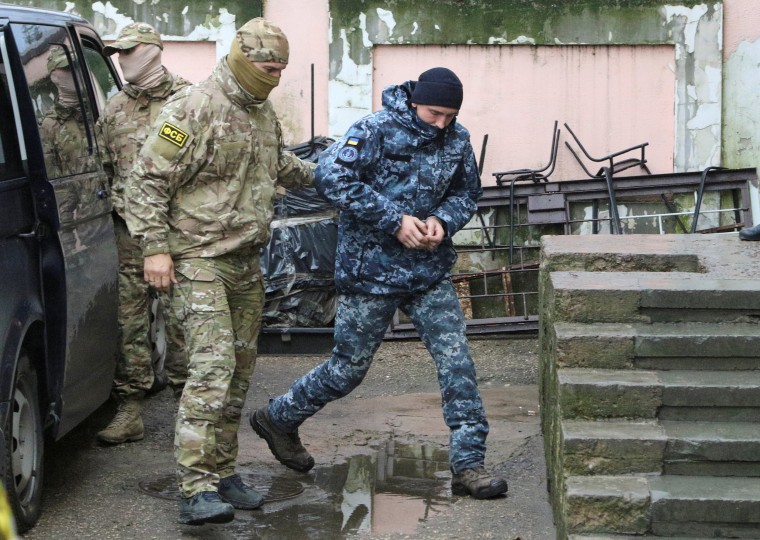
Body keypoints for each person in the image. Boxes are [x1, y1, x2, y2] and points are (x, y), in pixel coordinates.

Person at [249, 67, 509, 500]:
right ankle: (279, 417)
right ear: (414, 102)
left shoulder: (457, 139)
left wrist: (442, 220)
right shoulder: (374, 129)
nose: (441, 123)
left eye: (449, 115)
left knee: (457, 363)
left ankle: (468, 465)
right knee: (347, 370)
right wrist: (393, 221)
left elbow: (467, 192)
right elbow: (329, 177)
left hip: (427, 272)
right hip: (370, 273)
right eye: (433, 113)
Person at [123, 18, 314, 525]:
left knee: (240, 370)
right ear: (244, 59)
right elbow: (145, 181)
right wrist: (155, 249)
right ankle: (195, 486)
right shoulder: (189, 109)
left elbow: (283, 167)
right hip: (197, 260)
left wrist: (338, 172)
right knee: (211, 369)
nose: (275, 77)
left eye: (281, 70)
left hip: (245, 261)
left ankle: (224, 472)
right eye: (269, 68)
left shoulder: (262, 112)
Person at [95, 22, 191, 445]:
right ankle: (130, 406)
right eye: (118, 53)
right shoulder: (115, 108)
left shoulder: (190, 100)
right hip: (129, 232)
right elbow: (104, 166)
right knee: (127, 321)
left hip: (180, 232)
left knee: (183, 320)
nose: (122, 59)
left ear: (154, 50)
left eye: (129, 51)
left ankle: (190, 408)